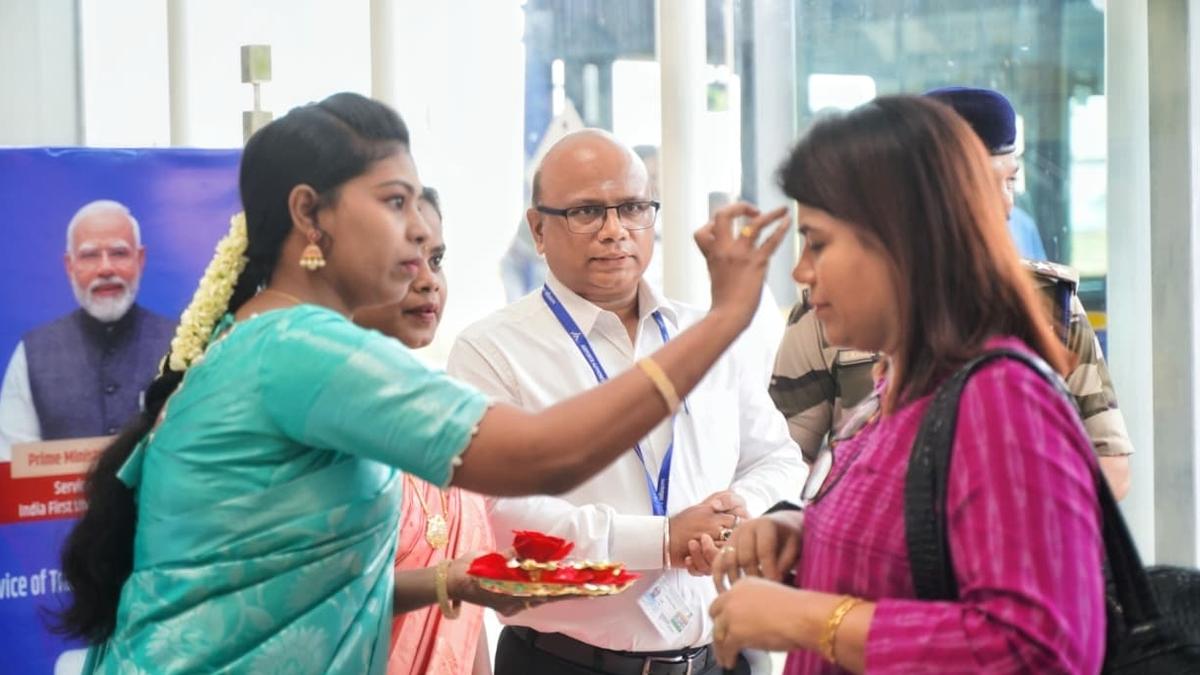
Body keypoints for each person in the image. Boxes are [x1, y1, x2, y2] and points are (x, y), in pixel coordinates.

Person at [55, 92, 788, 674]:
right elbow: (542, 458)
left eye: (422, 215)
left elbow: (291, 584)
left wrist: (454, 584)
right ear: (309, 214)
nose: (415, 234)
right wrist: (725, 319)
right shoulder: (301, 349)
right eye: (394, 202)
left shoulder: (263, 336)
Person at [705, 95, 1104, 673]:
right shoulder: (899, 388)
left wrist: (804, 619)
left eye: (818, 242)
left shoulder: (999, 400)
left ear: (901, 242)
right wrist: (804, 537)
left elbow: (1039, 647)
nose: (801, 271)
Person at [447, 129, 804, 675]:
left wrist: (736, 520)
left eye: (633, 208)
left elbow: (777, 458)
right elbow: (498, 517)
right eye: (588, 211)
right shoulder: (491, 349)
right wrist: (662, 539)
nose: (615, 231)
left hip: (714, 660)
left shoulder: (701, 334)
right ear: (538, 229)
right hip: (564, 663)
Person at [768, 85, 1133, 499]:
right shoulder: (842, 325)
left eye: (1011, 181)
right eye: (986, 183)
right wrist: (795, 524)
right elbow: (781, 456)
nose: (1006, 204)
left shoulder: (1034, 329)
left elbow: (1109, 464)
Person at [353, 187, 500, 675]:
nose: (428, 283)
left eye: (435, 260)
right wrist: (445, 582)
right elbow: (309, 597)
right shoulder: (322, 422)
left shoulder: (444, 410)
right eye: (404, 264)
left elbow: (466, 616)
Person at [0, 200, 175, 459]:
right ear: (70, 266)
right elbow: (13, 464)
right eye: (90, 255)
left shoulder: (182, 345)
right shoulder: (32, 354)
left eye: (119, 253)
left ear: (140, 259)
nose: (105, 268)